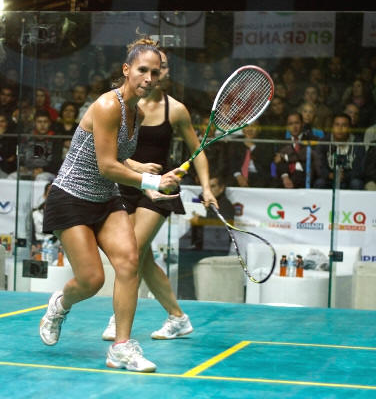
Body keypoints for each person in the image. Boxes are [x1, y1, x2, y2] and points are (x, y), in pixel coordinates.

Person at [39, 37, 183, 373]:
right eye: (142, 70)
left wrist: (138, 168)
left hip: (106, 197)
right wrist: (151, 183)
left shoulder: (136, 112)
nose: (149, 78)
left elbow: (114, 156)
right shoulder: (107, 105)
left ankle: (121, 347)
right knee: (91, 280)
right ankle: (60, 304)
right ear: (126, 70)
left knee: (130, 262)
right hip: (71, 197)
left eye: (155, 72)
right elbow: (105, 165)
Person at [100, 48, 218, 342]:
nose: (153, 74)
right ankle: (177, 317)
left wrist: (206, 187)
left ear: (165, 72)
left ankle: (118, 318)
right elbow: (110, 151)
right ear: (132, 69)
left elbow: (198, 151)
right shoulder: (121, 105)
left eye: (160, 68)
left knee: (132, 251)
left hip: (161, 188)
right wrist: (135, 169)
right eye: (147, 68)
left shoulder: (175, 110)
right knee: (142, 259)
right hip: (127, 183)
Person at [314, 113, 365, 190]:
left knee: (356, 183)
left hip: (349, 180)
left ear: (349, 128)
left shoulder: (358, 143)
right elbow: (319, 165)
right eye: (337, 125)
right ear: (332, 127)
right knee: (320, 182)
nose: (340, 128)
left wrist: (345, 176)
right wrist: (330, 175)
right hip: (329, 179)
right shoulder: (324, 142)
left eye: (344, 125)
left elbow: (360, 169)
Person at [274, 112, 323, 189]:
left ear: (302, 124)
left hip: (307, 179)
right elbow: (280, 164)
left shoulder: (313, 140)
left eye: (297, 123)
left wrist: (286, 157)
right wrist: (285, 177)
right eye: (291, 124)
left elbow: (313, 162)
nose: (294, 127)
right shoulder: (282, 144)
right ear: (287, 127)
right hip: (287, 180)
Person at [227, 120, 274, 188]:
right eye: (246, 126)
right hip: (238, 175)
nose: (249, 129)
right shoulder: (235, 142)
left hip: (260, 176)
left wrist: (252, 146)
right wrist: (238, 176)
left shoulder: (266, 143)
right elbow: (231, 163)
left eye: (253, 126)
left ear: (259, 129)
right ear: (242, 129)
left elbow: (266, 163)